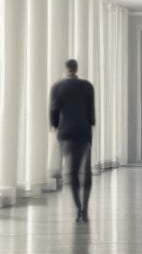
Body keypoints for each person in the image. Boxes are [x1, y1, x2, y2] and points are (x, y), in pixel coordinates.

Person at [49, 58, 96, 223]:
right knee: (86, 172)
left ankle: (78, 209)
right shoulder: (87, 86)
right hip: (84, 133)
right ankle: (86, 208)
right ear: (76, 69)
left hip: (67, 133)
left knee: (72, 172)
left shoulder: (58, 87)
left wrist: (55, 125)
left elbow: (54, 111)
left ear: (66, 69)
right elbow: (91, 113)